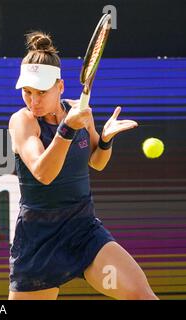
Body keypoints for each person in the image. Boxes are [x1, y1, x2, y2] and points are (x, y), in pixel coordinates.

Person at [8, 31, 158, 300]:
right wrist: (66, 129)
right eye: (27, 92)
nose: (33, 101)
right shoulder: (22, 121)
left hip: (84, 232)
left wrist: (106, 140)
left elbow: (97, 163)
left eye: (41, 92)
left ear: (60, 87)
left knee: (141, 296)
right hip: (39, 240)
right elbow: (43, 173)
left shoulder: (80, 112)